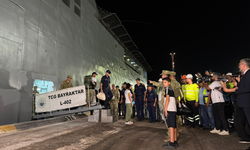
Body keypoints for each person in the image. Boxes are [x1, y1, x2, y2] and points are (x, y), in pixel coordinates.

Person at [162, 77, 178, 149]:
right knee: (174, 126)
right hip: (173, 109)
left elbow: (167, 99)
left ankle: (171, 143)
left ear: (169, 83)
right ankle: (174, 141)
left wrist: (165, 109)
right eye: (163, 82)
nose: (164, 84)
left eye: (165, 82)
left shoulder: (167, 88)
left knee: (171, 126)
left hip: (170, 109)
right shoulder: (171, 89)